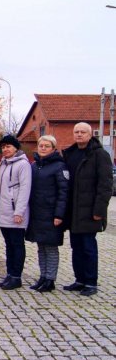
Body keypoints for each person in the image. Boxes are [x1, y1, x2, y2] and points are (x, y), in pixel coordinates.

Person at [61, 122, 112, 297]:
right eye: (76, 132)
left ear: (91, 134)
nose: (79, 135)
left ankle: (91, 282)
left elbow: (105, 186)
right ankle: (79, 279)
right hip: (73, 211)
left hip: (90, 211)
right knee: (76, 247)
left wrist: (99, 210)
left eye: (83, 132)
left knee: (89, 247)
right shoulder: (70, 154)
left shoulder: (99, 155)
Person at [26, 135, 68, 293]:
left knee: (50, 247)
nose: (43, 148)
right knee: (40, 246)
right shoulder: (35, 165)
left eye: (47, 146)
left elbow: (63, 192)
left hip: (51, 214)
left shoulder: (59, 166)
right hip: (37, 213)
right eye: (41, 145)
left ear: (53, 148)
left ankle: (50, 279)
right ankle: (43, 276)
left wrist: (59, 215)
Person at [0, 135, 32, 290]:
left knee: (17, 244)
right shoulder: (3, 164)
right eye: (3, 147)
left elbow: (24, 189)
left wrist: (19, 211)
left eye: (8, 146)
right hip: (4, 211)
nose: (5, 149)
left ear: (16, 148)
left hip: (16, 212)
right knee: (9, 245)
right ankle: (10, 274)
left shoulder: (23, 165)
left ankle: (16, 276)